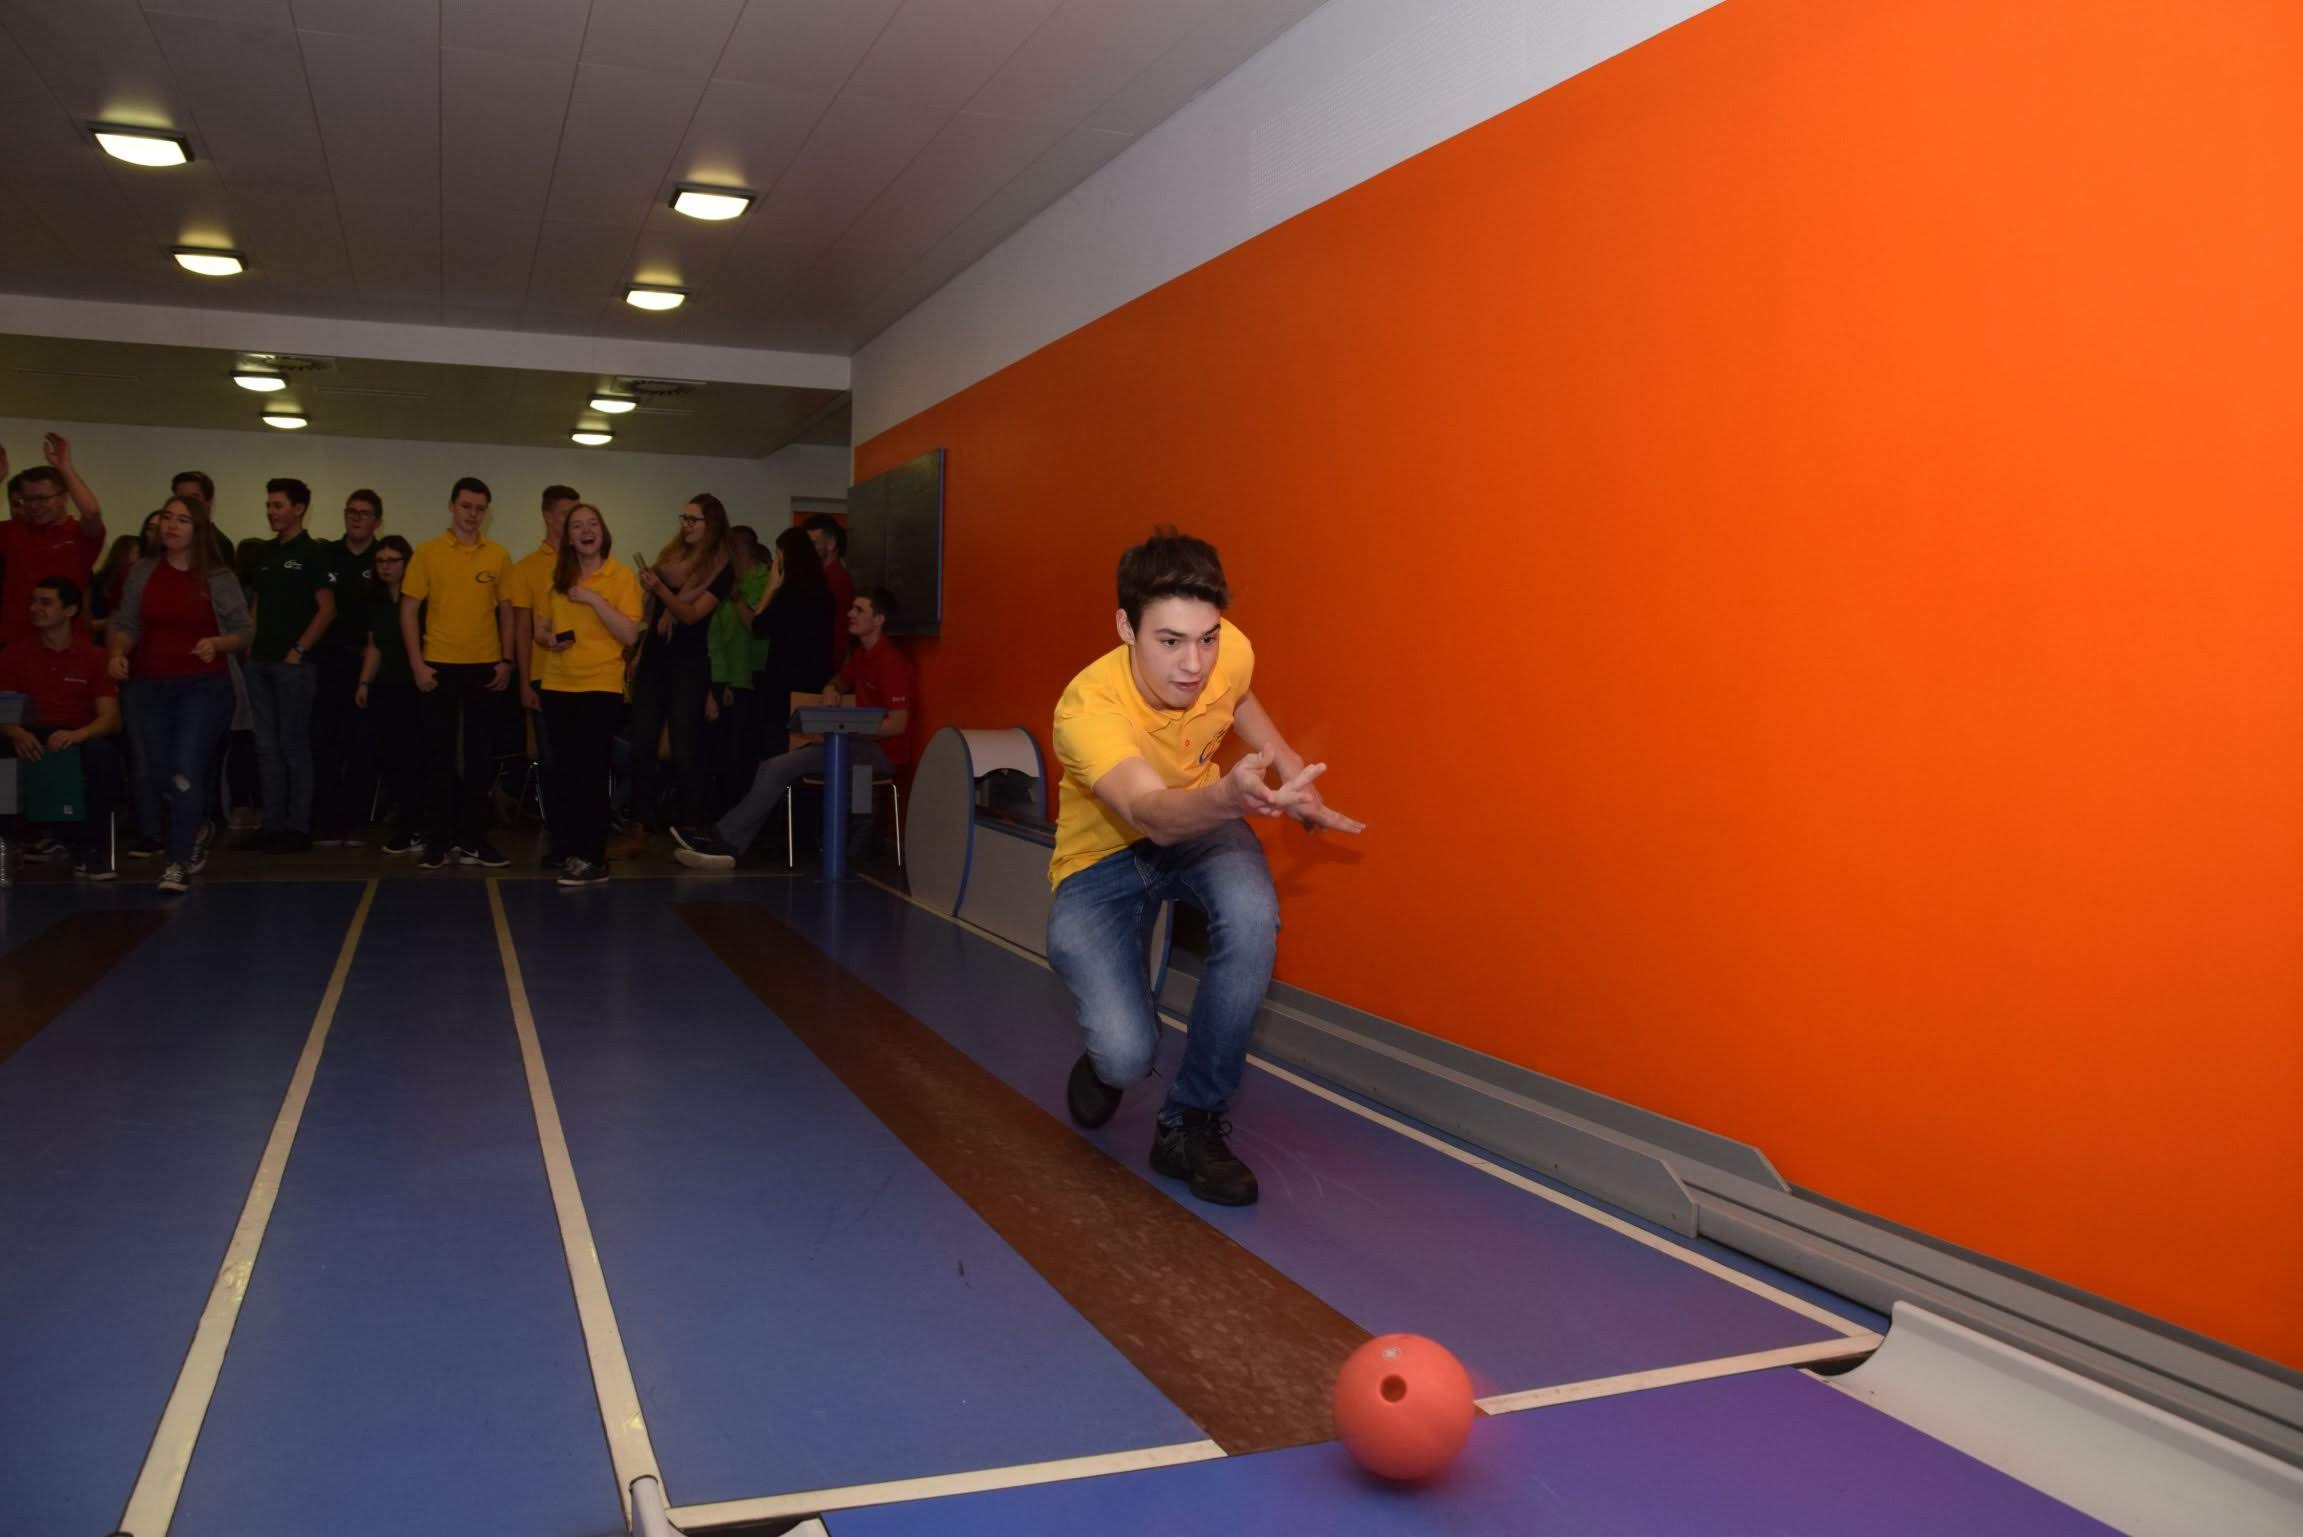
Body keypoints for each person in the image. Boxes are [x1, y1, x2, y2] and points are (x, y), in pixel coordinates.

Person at [1043, 529, 1363, 1207]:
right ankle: (1109, 1062)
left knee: (1252, 916)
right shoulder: (1086, 707)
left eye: (1206, 638)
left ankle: (1189, 1123)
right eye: (1169, 641)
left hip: (1198, 830)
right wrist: (1227, 798)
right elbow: (1151, 814)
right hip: (1105, 855)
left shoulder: (1228, 651)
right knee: (1126, 1053)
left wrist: (1288, 771)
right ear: (1125, 627)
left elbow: (1237, 696)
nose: (1194, 664)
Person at [672, 585, 911, 870]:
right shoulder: (861, 655)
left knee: (778, 767)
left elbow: (897, 725)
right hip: (855, 745)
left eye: (859, 610)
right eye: (852, 607)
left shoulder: (892, 662)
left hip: (880, 753)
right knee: (770, 766)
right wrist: (832, 688)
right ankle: (728, 840)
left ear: (879, 619)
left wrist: (844, 729)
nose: (850, 613)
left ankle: (724, 840)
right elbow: (839, 680)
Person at [107, 495, 252, 894]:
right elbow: (127, 622)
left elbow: (244, 630)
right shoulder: (143, 571)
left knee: (186, 768)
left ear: (198, 529)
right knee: (158, 772)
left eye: (182, 520)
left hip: (204, 687)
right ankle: (198, 825)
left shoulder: (218, 577)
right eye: (167, 518)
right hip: (148, 686)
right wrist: (118, 652)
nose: (171, 526)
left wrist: (218, 643)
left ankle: (177, 860)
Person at [400, 476, 514, 869]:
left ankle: (474, 841)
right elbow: (409, 610)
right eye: (466, 506)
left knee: (480, 758)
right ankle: (437, 842)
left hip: (485, 666)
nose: (472, 515)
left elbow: (507, 611)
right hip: (438, 665)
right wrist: (417, 663)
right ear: (452, 506)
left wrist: (506, 661)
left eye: (480, 509)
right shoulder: (427, 553)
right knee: (438, 756)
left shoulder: (498, 556)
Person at [530, 504, 642, 887]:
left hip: (600, 685)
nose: (586, 530)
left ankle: (593, 858)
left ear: (603, 532)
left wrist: (594, 600)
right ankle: (570, 850)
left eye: (592, 524)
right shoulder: (558, 578)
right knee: (565, 773)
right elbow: (540, 628)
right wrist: (549, 639)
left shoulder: (621, 576)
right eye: (577, 526)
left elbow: (629, 634)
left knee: (591, 773)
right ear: (569, 538)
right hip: (557, 685)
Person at [617, 494, 730, 846]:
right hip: (655, 659)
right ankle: (640, 825)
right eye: (683, 518)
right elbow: (652, 614)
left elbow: (691, 614)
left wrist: (662, 591)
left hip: (689, 664)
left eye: (693, 520)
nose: (686, 525)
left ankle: (694, 827)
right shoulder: (671, 557)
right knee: (641, 743)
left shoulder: (720, 567)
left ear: (711, 525)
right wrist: (639, 653)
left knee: (684, 747)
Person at [0, 578, 124, 880]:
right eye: (33, 602)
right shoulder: (14, 654)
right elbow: (3, 711)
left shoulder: (94, 656)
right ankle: (8, 845)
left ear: (69, 610)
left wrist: (77, 735)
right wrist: (16, 732)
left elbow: (110, 717)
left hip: (75, 734)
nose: (35, 608)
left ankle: (91, 850)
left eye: (45, 602)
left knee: (103, 756)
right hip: (27, 731)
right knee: (1, 753)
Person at [239, 477, 337, 852]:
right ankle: (272, 824)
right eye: (269, 505)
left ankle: (297, 827)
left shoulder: (313, 552)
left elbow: (327, 609)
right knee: (266, 747)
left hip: (293, 666)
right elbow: (257, 605)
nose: (272, 512)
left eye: (278, 505)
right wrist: (250, 646)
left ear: (299, 509)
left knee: (294, 746)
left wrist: (299, 649)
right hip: (260, 662)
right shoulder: (264, 553)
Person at [505, 484, 578, 864]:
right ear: (548, 516)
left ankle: (584, 840)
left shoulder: (587, 563)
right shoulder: (526, 568)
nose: (572, 522)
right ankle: (558, 839)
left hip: (584, 677)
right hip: (543, 677)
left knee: (581, 760)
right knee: (551, 762)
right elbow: (521, 630)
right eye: (566, 514)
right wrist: (523, 682)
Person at [311, 488, 383, 845]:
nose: (356, 517)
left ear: (377, 522)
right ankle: (326, 821)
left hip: (367, 662)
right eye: (351, 511)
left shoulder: (383, 559)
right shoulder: (327, 554)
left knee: (362, 745)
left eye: (364, 513)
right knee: (324, 742)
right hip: (327, 661)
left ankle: (356, 822)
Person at [350, 534, 423, 854]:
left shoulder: (420, 599)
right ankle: (406, 824)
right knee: (391, 757)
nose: (386, 567)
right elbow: (374, 646)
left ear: (407, 562)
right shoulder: (375, 600)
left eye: (393, 560)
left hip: (417, 685)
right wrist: (364, 682)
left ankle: (420, 826)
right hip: (387, 685)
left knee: (417, 757)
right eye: (380, 561)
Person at [2, 433, 106, 648]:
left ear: (63, 497)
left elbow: (92, 512)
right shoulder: (12, 530)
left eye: (42, 498)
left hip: (66, 645)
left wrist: (65, 468)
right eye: (27, 499)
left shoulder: (80, 534)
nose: (33, 506)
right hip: (15, 645)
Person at [707, 525, 770, 813]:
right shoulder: (725, 579)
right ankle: (722, 813)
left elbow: (756, 628)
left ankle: (741, 814)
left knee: (742, 752)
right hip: (724, 676)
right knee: (721, 751)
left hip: (752, 676)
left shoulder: (765, 580)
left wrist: (735, 597)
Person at [804, 513, 854, 671]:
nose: (807, 550)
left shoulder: (836, 578)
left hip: (828, 663)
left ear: (831, 544)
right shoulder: (823, 576)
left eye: (813, 543)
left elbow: (837, 629)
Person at [171, 471, 240, 570]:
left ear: (209, 502)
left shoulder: (219, 544)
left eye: (193, 497)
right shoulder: (168, 536)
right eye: (180, 498)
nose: (186, 503)